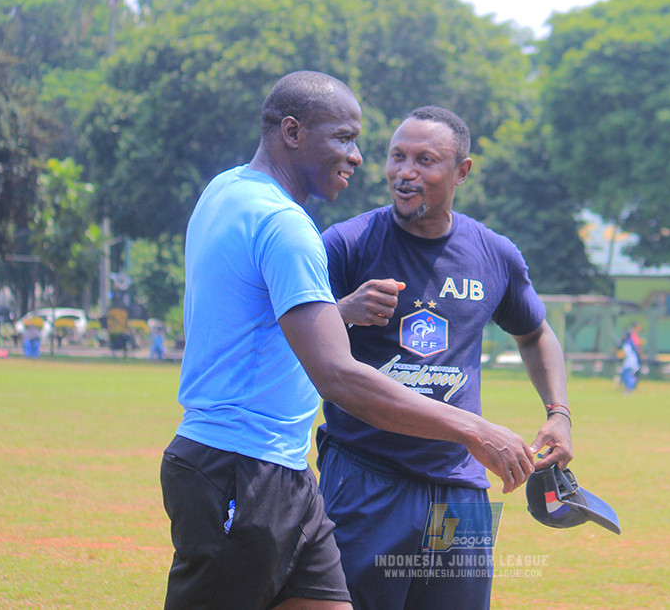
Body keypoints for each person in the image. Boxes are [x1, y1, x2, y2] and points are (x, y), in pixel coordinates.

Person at [160, 75, 535, 610]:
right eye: (344, 138)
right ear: (292, 132)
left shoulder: (225, 190)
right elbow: (337, 377)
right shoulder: (291, 228)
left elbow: (256, 322)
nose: (357, 157)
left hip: (284, 473)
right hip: (238, 465)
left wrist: (335, 312)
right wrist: (473, 430)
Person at [317, 106, 573, 610]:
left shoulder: (493, 254)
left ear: (462, 172)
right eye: (397, 157)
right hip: (367, 479)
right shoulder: (345, 246)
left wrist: (558, 414)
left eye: (425, 160)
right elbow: (289, 338)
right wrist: (343, 311)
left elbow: (535, 333)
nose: (405, 172)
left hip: (460, 488)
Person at [620, 322, 643, 391]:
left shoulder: (628, 342)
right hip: (631, 360)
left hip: (630, 361)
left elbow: (627, 352)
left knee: (628, 375)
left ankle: (630, 388)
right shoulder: (631, 339)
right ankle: (628, 387)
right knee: (625, 374)